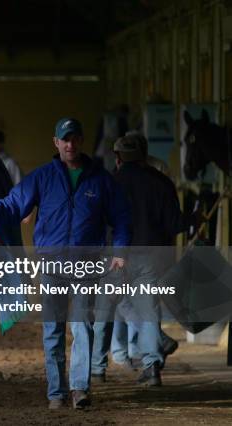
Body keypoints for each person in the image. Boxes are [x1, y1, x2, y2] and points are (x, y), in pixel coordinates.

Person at [0, 118, 131, 410]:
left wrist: (120, 251)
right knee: (53, 329)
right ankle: (56, 392)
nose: (70, 144)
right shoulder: (42, 177)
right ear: (55, 143)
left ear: (81, 141)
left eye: (75, 139)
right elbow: (13, 204)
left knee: (83, 327)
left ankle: (80, 389)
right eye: (64, 139)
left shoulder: (101, 179)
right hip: (52, 265)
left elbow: (121, 218)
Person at [91, 133, 185, 387]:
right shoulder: (161, 182)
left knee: (104, 312)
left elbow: (95, 224)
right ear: (144, 155)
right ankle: (152, 369)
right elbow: (175, 224)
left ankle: (97, 369)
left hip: (114, 257)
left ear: (118, 157)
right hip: (151, 259)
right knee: (148, 312)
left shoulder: (106, 183)